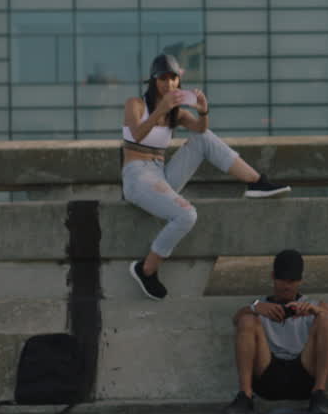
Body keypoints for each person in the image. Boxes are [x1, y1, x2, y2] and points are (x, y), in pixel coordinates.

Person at [123, 53, 290, 300]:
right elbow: (137, 134)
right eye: (162, 79)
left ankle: (256, 182)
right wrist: (161, 108)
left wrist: (203, 111)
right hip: (138, 176)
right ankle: (147, 268)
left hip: (160, 175)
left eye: (173, 78)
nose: (168, 84)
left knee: (203, 138)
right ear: (153, 81)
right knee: (186, 214)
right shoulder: (136, 104)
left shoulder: (175, 113)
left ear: (178, 80)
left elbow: (201, 130)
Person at [222, 249, 328, 414]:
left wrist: (316, 311)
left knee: (326, 319)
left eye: (292, 280)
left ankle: (319, 394)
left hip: (304, 372)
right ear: (273, 276)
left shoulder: (313, 304)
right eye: (282, 279)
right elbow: (237, 320)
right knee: (247, 319)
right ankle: (245, 396)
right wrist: (255, 308)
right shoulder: (261, 305)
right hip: (268, 372)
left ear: (300, 280)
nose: (286, 285)